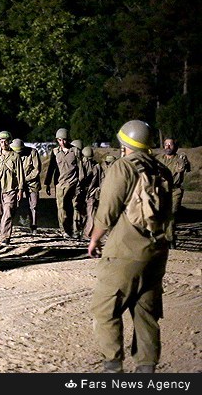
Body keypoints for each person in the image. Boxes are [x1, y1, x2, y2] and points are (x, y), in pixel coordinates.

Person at [88, 120, 173, 373]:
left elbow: (107, 211)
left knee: (105, 309)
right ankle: (146, 371)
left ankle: (113, 368)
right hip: (156, 253)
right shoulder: (162, 170)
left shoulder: (123, 167)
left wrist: (95, 238)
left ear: (124, 143)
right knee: (146, 314)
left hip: (125, 252)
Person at [44, 128, 84, 238]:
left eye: (65, 140)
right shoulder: (55, 152)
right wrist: (47, 184)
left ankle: (74, 231)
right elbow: (51, 168)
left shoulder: (75, 151)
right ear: (57, 140)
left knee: (74, 207)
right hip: (60, 184)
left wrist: (80, 183)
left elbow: (81, 168)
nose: (63, 142)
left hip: (74, 183)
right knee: (61, 209)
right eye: (60, 140)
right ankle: (64, 230)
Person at [0, 131, 24, 245]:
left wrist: (20, 190)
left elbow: (20, 174)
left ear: (9, 142)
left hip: (11, 189)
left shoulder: (15, 157)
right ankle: (3, 227)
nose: (3, 144)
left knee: (8, 212)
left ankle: (6, 236)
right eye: (1, 142)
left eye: (5, 141)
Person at [155, 137, 191, 249]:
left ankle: (170, 239)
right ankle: (160, 238)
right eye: (166, 144)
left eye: (170, 144)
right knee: (159, 213)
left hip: (175, 190)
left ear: (175, 146)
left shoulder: (180, 159)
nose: (168, 147)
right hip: (161, 189)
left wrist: (183, 160)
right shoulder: (159, 159)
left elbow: (185, 168)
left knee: (171, 213)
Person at [11, 139, 42, 234]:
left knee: (34, 205)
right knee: (11, 204)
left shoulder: (32, 153)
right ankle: (9, 226)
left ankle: (33, 226)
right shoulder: (11, 154)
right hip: (16, 183)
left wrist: (24, 179)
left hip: (31, 183)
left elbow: (36, 170)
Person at [81, 146, 102, 239]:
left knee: (91, 214)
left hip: (91, 193)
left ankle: (87, 233)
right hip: (82, 193)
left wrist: (98, 190)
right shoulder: (80, 165)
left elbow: (101, 180)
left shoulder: (96, 167)